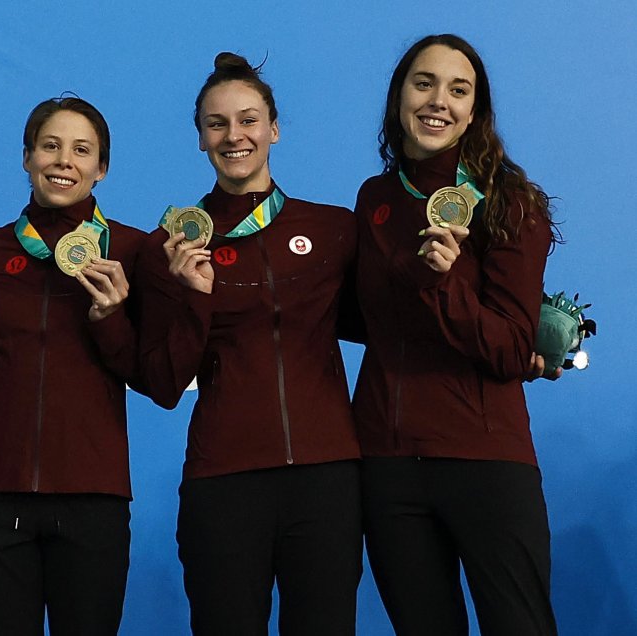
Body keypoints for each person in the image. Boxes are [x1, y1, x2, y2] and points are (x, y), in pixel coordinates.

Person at [137, 53, 362, 635]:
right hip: (224, 482)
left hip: (327, 479)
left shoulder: (333, 229)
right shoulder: (170, 247)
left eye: (248, 119)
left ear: (274, 129)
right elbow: (163, 383)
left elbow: (393, 320)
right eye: (217, 124)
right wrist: (193, 295)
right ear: (200, 139)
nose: (233, 135)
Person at [353, 34, 560, 635]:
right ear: (398, 99)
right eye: (424, 83)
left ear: (474, 111)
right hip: (388, 465)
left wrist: (445, 286)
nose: (438, 100)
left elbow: (509, 349)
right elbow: (363, 316)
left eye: (458, 89)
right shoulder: (376, 200)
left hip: (486, 460)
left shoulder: (511, 202)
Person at [0, 96, 144, 635]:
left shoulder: (132, 250)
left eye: (81, 150)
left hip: (92, 493)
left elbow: (153, 375)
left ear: (101, 168)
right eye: (50, 146)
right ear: (27, 157)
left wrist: (111, 317)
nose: (64, 161)